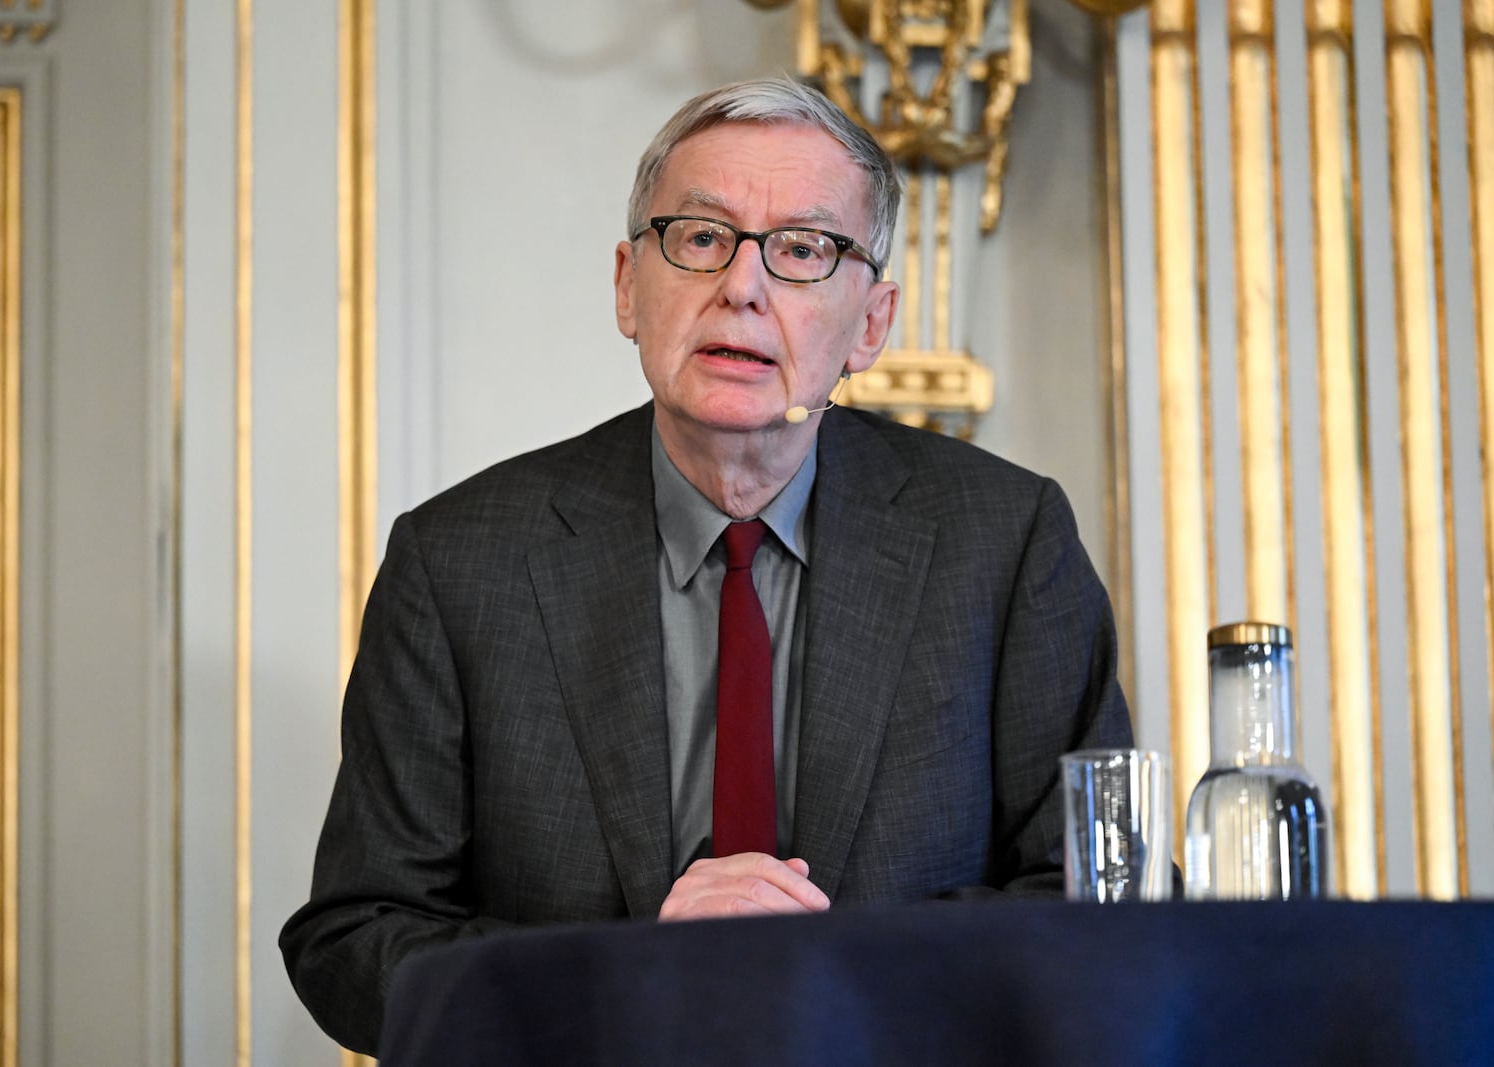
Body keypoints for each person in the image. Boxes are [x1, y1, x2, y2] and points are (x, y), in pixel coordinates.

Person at [280, 77, 1132, 1055]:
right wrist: (627, 972)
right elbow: (353, 943)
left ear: (871, 321)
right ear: (625, 285)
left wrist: (844, 976)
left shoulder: (1005, 539)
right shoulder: (460, 561)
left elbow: (1095, 898)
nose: (742, 284)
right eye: (699, 237)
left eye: (804, 249)